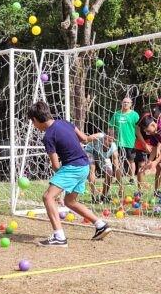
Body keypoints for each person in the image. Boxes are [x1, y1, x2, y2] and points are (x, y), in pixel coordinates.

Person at [27, 101, 111, 247]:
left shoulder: (48, 136)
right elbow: (84, 138)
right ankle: (100, 225)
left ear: (35, 119)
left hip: (72, 167)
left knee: (48, 197)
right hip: (84, 165)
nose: (34, 126)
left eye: (33, 123)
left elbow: (55, 165)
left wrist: (58, 188)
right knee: (70, 202)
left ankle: (59, 237)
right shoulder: (65, 122)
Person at [137, 111, 161, 203]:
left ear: (153, 125)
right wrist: (149, 161)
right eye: (145, 131)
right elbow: (154, 148)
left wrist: (156, 161)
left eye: (147, 130)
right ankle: (156, 191)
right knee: (160, 167)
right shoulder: (153, 133)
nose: (146, 133)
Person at [84, 128, 122, 204]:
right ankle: (94, 196)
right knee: (92, 168)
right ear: (104, 136)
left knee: (110, 173)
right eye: (105, 139)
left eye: (109, 140)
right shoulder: (99, 136)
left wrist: (121, 186)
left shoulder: (113, 149)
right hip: (90, 152)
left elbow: (117, 167)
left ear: (113, 140)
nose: (106, 142)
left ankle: (104, 196)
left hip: (103, 158)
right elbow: (86, 139)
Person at [110, 96, 140, 183]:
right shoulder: (116, 114)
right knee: (117, 161)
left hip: (130, 142)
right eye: (124, 102)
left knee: (131, 160)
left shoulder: (135, 115)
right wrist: (111, 137)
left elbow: (139, 128)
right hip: (118, 142)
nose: (125, 104)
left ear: (131, 104)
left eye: (127, 102)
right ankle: (118, 178)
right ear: (121, 103)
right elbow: (111, 127)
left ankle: (132, 178)